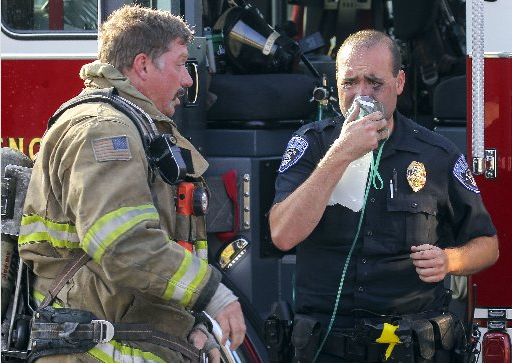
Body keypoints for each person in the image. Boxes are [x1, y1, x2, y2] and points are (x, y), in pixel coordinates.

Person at [18, 5, 245, 363]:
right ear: (142, 65)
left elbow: (151, 269)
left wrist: (193, 327)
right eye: (180, 63)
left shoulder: (137, 128)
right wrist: (212, 294)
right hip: (90, 349)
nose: (188, 80)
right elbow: (123, 245)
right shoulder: (105, 131)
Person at [269, 29, 498, 362]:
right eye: (350, 83)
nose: (361, 95)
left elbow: (488, 246)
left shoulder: (436, 154)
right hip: (327, 349)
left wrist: (451, 260)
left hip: (411, 348)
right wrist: (341, 153)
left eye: (374, 83)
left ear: (400, 83)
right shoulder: (311, 145)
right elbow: (282, 235)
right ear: (336, 85)